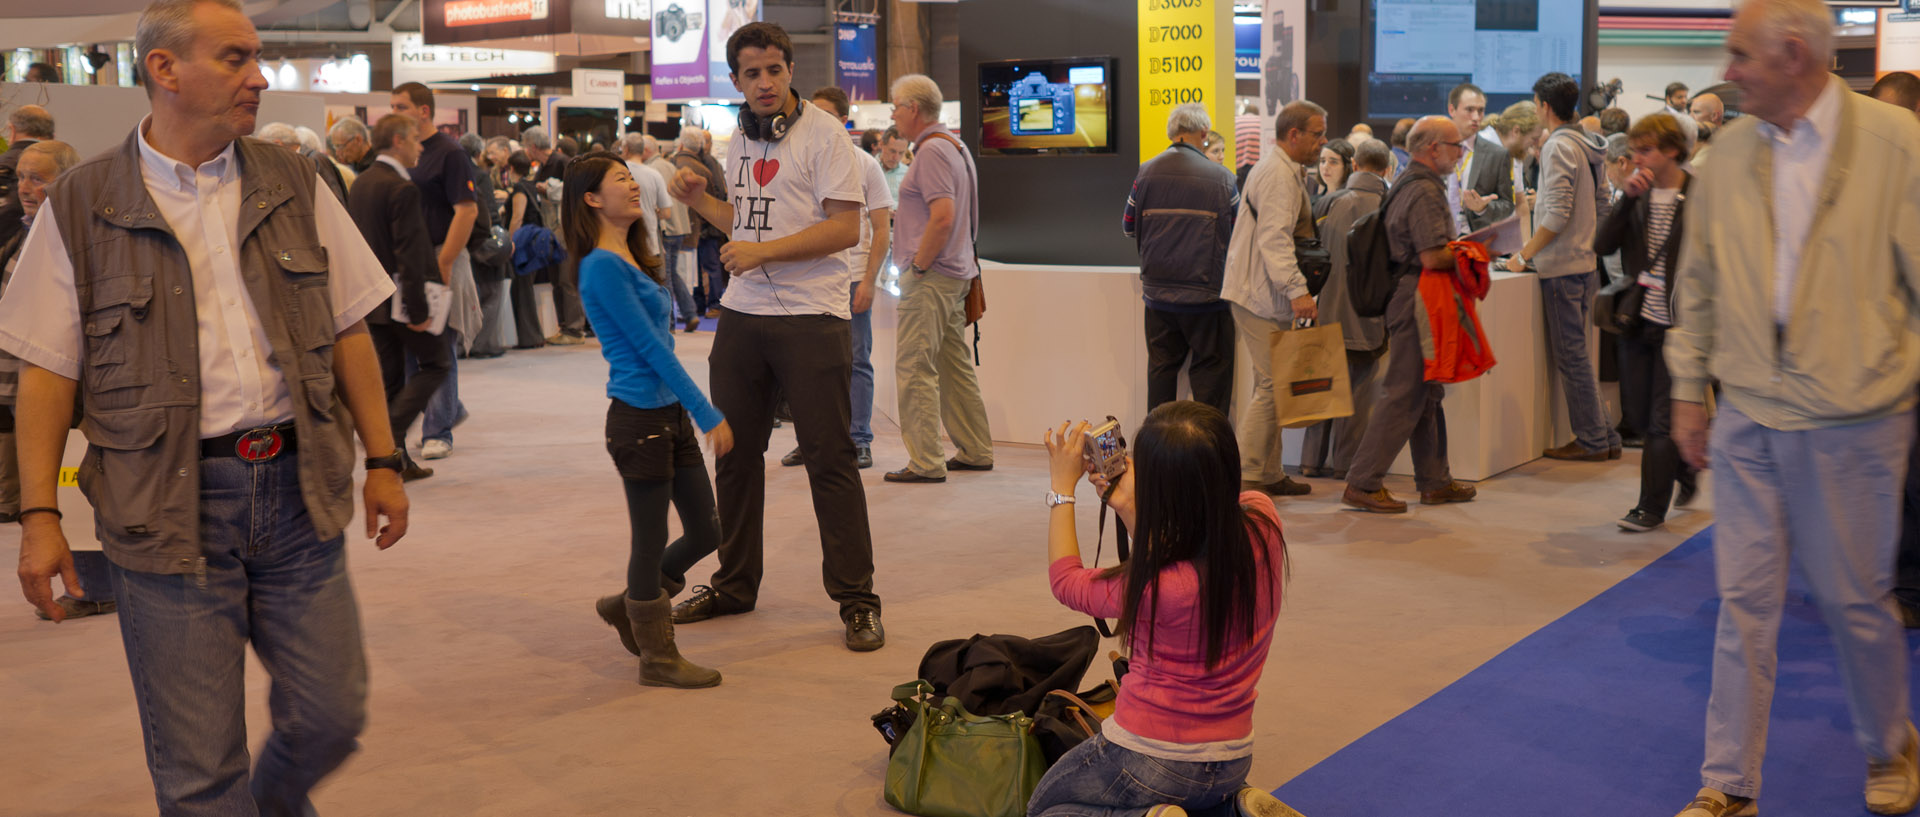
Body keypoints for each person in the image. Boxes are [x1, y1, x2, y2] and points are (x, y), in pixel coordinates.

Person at [3, 1, 412, 811]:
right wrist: (40, 516)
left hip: (299, 495)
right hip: (162, 509)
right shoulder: (82, 205)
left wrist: (386, 459)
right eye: (235, 58)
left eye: (255, 58)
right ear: (164, 70)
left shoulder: (296, 179)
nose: (259, 77)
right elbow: (46, 373)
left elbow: (349, 330)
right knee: (198, 771)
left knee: (333, 713)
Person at [1665, 0, 1920, 812]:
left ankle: (1890, 743)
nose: (1728, 73)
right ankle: (1728, 781)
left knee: (1855, 601)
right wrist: (1687, 388)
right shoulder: (1730, 152)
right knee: (1744, 601)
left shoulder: (1898, 144)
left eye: (1740, 56)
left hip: (1857, 420)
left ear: (1792, 55)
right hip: (1748, 413)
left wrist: (1889, 373)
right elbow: (1695, 283)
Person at [664, 21, 884, 652]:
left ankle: (857, 598)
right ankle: (735, 583)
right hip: (742, 314)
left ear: (790, 72)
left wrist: (765, 256)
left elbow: (845, 229)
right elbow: (745, 224)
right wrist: (703, 198)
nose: (764, 83)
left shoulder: (825, 137)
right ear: (736, 81)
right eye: (751, 74)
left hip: (813, 316)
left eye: (774, 71)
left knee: (830, 459)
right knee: (733, 454)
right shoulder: (740, 136)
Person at [1029, 404, 1297, 817]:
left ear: (1161, 490)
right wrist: (1132, 509)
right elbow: (1192, 533)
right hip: (1231, 758)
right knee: (1199, 797)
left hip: (1150, 757)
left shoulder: (1158, 586)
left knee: (1045, 810)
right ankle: (1235, 808)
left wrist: (1062, 489)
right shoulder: (1264, 521)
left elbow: (1066, 581)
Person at [567, 154, 733, 689]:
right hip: (639, 419)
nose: (634, 186)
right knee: (649, 539)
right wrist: (706, 412)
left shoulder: (634, 253)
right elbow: (651, 351)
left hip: (667, 417)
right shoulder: (600, 266)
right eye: (621, 179)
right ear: (591, 199)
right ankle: (657, 656)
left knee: (708, 529)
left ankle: (630, 603)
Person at [1341, 117, 1479, 514]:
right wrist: (1473, 250)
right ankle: (1363, 483)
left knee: (1426, 391)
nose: (1460, 153)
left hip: (1412, 296)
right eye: (1456, 146)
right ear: (1433, 148)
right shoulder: (1423, 190)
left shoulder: (1409, 180)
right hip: (1419, 296)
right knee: (1404, 392)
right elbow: (1432, 254)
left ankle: (1434, 481)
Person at [0, 140, 113, 620]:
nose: (26, 187)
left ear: (65, 180)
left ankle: (92, 585)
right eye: (22, 176)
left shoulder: (78, 232)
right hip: (17, 382)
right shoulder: (14, 228)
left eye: (38, 177)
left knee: (78, 487)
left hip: (71, 389)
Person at [883, 73, 995, 486]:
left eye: (896, 106)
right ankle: (975, 448)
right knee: (953, 365)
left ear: (913, 109)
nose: (893, 114)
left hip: (932, 277)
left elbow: (943, 216)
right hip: (956, 273)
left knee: (915, 367)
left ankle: (926, 461)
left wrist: (917, 266)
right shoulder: (956, 146)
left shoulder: (931, 152)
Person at [1502, 71, 1619, 462]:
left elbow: (1555, 216)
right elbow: (1602, 205)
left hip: (1562, 268)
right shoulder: (1590, 144)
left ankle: (1592, 440)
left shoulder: (1557, 147)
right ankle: (1604, 435)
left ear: (1544, 107)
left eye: (1536, 104)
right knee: (1581, 355)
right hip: (1585, 264)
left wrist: (1522, 256)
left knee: (1572, 358)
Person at [1592, 114, 1697, 534]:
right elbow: (1602, 244)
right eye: (1634, 150)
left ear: (1671, 149)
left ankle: (1649, 507)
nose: (1637, 159)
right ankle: (1684, 468)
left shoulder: (1699, 193)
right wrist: (1626, 200)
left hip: (1681, 323)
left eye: (1646, 149)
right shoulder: (1637, 194)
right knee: (1637, 413)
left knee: (1659, 420)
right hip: (1636, 318)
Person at [779, 86, 893, 471]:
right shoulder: (801, 159)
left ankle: (859, 439)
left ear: (843, 120)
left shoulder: (865, 164)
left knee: (856, 361)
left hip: (851, 279)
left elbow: (881, 229)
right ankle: (809, 440)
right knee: (806, 365)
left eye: (825, 115)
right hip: (807, 279)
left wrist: (869, 281)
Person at [1220, 100, 1325, 498]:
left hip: (1261, 293)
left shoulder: (1281, 170)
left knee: (1273, 385)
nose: (1322, 142)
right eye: (1317, 134)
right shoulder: (1278, 175)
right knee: (1273, 384)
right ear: (1293, 134)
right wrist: (1297, 290)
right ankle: (1247, 478)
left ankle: (1268, 473)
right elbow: (1274, 240)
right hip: (1259, 296)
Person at [1124, 102, 1240, 418]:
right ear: (1203, 134)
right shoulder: (1222, 178)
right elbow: (1237, 234)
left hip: (1158, 296)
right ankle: (1207, 450)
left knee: (1161, 373)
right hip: (1207, 297)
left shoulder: (1145, 172)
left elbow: (1129, 226)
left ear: (1172, 133)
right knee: (1212, 377)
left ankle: (1155, 449)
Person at [350, 113, 448, 483]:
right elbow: (409, 253)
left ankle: (396, 461)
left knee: (390, 381)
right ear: (398, 142)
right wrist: (419, 310)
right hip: (401, 301)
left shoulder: (362, 183)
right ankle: (388, 435)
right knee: (437, 364)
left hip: (373, 301)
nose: (420, 147)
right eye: (415, 140)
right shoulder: (400, 188)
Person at [390, 82, 481, 462]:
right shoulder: (403, 151)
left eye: (401, 105)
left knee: (438, 341)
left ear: (423, 110)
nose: (394, 111)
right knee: (412, 343)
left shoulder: (450, 153)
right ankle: (444, 412)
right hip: (409, 259)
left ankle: (438, 429)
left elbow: (468, 209)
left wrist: (444, 261)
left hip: (441, 255)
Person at [1300, 139, 1391, 482]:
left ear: (1355, 166)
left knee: (1321, 388)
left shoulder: (1327, 202)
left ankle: (1309, 463)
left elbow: (1309, 256)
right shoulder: (1391, 207)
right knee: (1356, 397)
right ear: (1385, 170)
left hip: (1326, 312)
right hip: (1371, 319)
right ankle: (1344, 466)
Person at [460, 131, 509, 359]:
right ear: (478, 153)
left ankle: (464, 343)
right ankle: (483, 344)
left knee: (469, 294)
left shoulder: (451, 173)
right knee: (492, 292)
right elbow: (489, 211)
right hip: (481, 241)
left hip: (460, 242)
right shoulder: (480, 175)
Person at [671, 126, 728, 322]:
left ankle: (704, 304)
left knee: (695, 268)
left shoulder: (675, 163)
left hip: (694, 226)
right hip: (704, 225)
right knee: (707, 267)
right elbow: (720, 193)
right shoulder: (706, 165)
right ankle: (710, 304)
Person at [1447, 83, 1516, 234]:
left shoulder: (1497, 154)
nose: (1476, 117)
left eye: (1480, 111)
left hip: (1475, 242)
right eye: (1469, 110)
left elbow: (1507, 206)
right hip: (1437, 239)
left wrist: (1483, 208)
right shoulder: (1434, 148)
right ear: (1452, 110)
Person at [503, 150, 549, 349]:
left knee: (522, 290)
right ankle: (533, 336)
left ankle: (529, 338)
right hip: (536, 242)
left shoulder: (520, 188)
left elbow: (517, 218)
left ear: (511, 168)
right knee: (526, 289)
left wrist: (511, 243)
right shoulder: (532, 186)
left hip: (524, 244)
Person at [0, 105, 54, 248]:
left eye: (36, 179)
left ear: (12, 131)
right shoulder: (64, 167)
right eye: (21, 177)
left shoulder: (3, 165)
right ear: (53, 136)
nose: (23, 189)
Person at [1312, 138, 1353, 215]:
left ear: (1347, 167)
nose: (1325, 167)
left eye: (1333, 162)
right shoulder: (1313, 202)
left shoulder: (1353, 202)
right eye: (1323, 161)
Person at [878, 125, 909, 198]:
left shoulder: (908, 174)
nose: (896, 158)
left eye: (901, 153)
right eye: (892, 151)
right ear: (881, 144)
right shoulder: (867, 169)